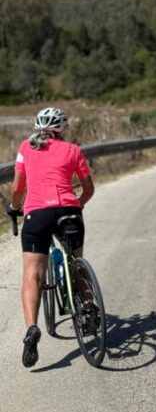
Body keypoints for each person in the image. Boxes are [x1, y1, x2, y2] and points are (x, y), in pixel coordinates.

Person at [6, 107, 94, 368]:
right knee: (76, 262)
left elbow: (17, 188)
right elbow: (88, 189)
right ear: (63, 129)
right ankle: (88, 305)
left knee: (32, 275)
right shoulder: (73, 150)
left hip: (37, 214)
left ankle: (31, 328)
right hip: (69, 212)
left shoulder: (26, 147)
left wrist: (14, 207)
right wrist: (77, 205)